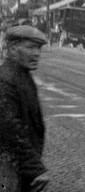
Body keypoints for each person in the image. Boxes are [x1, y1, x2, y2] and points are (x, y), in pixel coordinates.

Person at [0, 25, 51, 192]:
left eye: (38, 48)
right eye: (30, 47)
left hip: (17, 167)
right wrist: (34, 168)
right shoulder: (6, 80)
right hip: (8, 169)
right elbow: (10, 128)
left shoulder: (21, 75)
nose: (36, 53)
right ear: (13, 49)